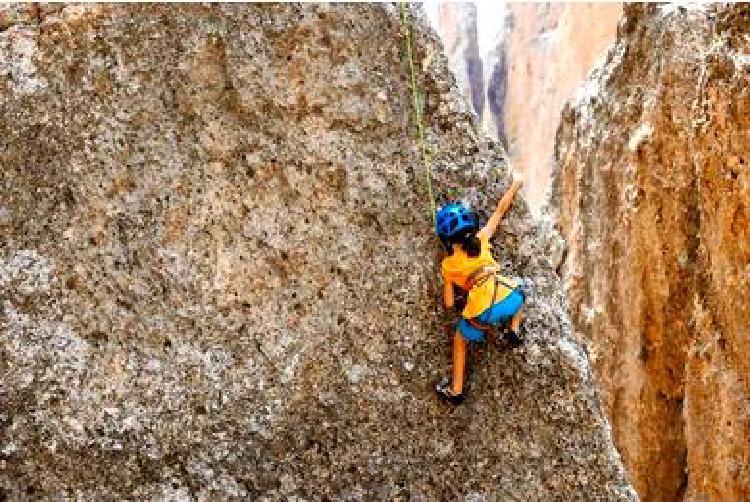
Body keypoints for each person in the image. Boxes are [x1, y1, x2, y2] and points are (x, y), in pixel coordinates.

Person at [434, 178, 525, 405]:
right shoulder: (483, 239)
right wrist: (515, 186)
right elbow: (500, 210)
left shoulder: (449, 265)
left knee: (460, 339)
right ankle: (513, 328)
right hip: (507, 297)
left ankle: (456, 391)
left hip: (481, 313)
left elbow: (448, 304)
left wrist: (452, 287)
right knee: (521, 295)